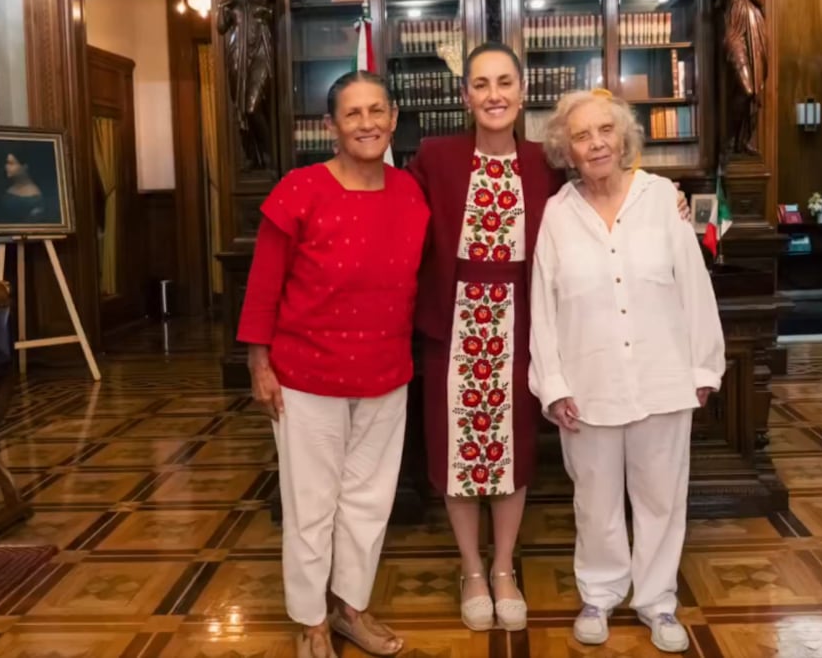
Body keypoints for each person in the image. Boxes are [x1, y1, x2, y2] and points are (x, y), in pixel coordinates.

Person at [406, 42, 692, 633]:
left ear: (521, 91)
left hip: (523, 326)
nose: (494, 95)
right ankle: (471, 571)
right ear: (466, 96)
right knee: (456, 455)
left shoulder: (546, 163)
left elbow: (610, 178)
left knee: (511, 451)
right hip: (455, 328)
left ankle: (505, 567)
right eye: (481, 84)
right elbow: (401, 219)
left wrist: (674, 203)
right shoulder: (434, 156)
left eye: (504, 82)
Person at [237, 70, 429, 658]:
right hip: (306, 376)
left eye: (377, 111)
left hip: (385, 372)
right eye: (353, 114)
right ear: (331, 126)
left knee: (369, 503)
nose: (367, 123)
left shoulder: (410, 193)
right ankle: (311, 619)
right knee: (310, 504)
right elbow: (264, 285)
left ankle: (351, 608)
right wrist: (258, 364)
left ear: (393, 119)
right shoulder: (299, 190)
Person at [529, 89, 725, 653]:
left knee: (663, 497)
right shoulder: (557, 214)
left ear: (623, 137)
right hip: (586, 387)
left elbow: (693, 283)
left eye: (604, 131)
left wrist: (702, 364)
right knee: (594, 499)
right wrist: (554, 385)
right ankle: (600, 593)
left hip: (663, 378)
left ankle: (659, 602)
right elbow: (544, 305)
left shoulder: (663, 198)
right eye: (582, 136)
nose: (595, 144)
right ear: (566, 149)